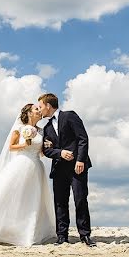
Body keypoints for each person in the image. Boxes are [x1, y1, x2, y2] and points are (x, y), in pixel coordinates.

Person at [0, 103, 56, 246]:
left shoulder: (41, 131)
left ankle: (27, 232)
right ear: (29, 113)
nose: (39, 111)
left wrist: (48, 147)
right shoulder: (19, 128)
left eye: (39, 108)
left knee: (32, 199)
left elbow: (41, 153)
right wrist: (24, 145)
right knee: (9, 196)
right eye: (36, 109)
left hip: (36, 166)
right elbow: (11, 147)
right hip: (20, 165)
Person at [37, 93, 96, 246]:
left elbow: (83, 138)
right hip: (59, 169)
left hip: (78, 166)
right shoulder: (47, 128)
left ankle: (85, 235)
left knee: (80, 200)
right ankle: (62, 236)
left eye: (41, 106)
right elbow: (47, 150)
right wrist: (60, 153)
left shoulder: (69, 116)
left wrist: (80, 160)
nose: (40, 109)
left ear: (48, 105)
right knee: (60, 203)